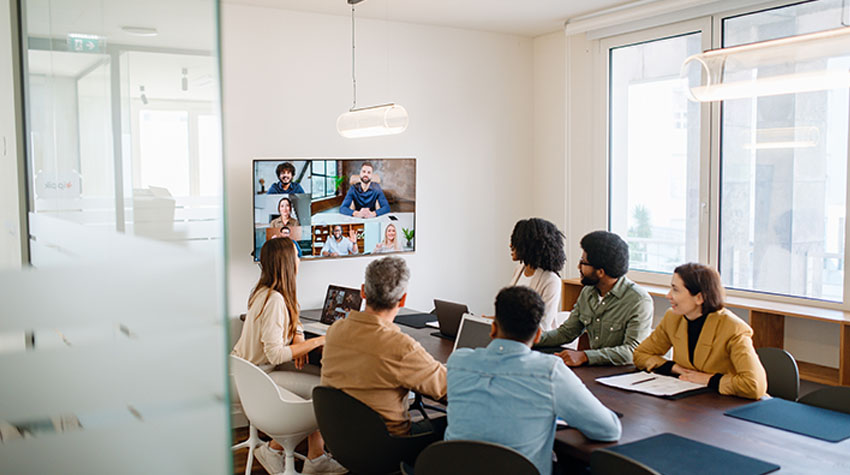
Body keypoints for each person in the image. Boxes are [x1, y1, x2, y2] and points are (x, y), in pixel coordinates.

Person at [445, 286, 621, 475]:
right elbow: (608, 430)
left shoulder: (457, 361)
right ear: (538, 334)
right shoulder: (550, 372)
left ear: (493, 327)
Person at [231, 238, 345, 474]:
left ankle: (314, 456)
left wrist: (299, 337)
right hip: (260, 375)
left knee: (322, 379)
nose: (300, 260)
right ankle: (285, 452)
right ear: (287, 262)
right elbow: (274, 354)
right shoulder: (274, 300)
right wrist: (320, 340)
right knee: (327, 392)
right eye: (297, 255)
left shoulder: (266, 292)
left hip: (251, 372)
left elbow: (294, 319)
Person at [321, 257, 447, 441]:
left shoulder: (335, 331)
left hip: (340, 441)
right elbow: (447, 388)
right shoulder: (401, 347)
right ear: (403, 299)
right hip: (388, 448)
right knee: (449, 423)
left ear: (363, 291)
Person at [633, 263, 767, 400]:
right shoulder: (673, 318)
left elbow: (755, 385)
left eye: (675, 290)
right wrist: (674, 368)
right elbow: (640, 354)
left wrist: (709, 379)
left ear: (699, 298)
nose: (668, 295)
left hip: (727, 404)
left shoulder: (733, 328)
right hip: (690, 400)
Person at [535, 231, 653, 366]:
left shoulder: (638, 300)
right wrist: (532, 339)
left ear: (601, 272)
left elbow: (632, 352)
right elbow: (566, 333)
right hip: (595, 370)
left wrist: (585, 356)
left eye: (583, 262)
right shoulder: (588, 292)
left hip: (621, 375)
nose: (579, 267)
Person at [508, 218, 566, 331]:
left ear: (530, 246)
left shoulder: (551, 280)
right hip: (512, 335)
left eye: (516, 242)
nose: (511, 245)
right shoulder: (519, 269)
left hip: (535, 341)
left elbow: (542, 325)